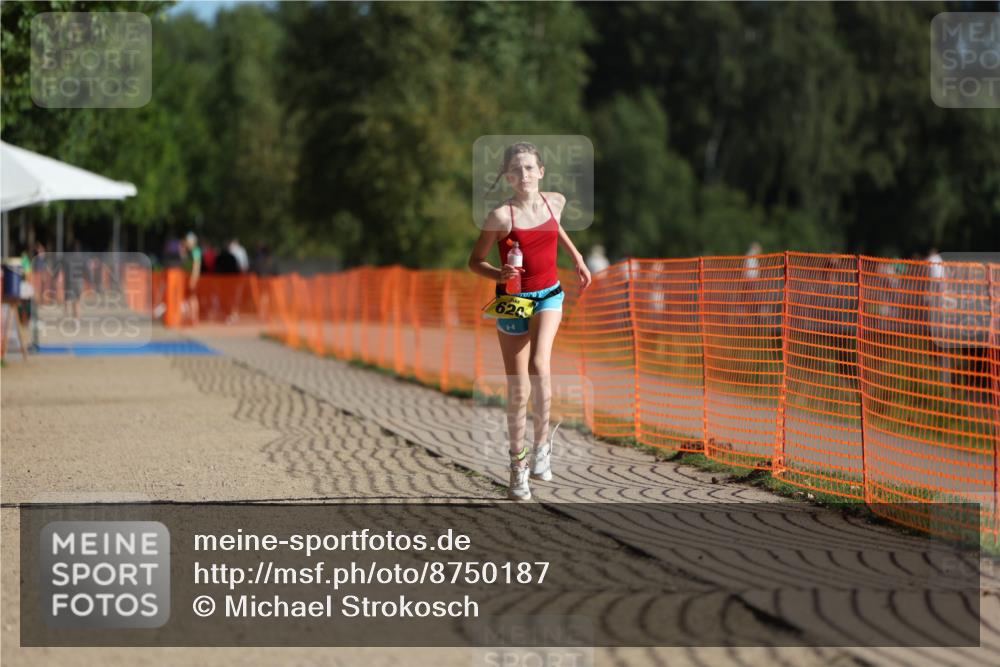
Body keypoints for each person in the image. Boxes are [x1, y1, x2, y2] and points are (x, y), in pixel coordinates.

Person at [468, 142, 592, 501]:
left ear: (541, 171)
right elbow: (474, 261)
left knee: (541, 363)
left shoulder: (556, 201)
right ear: (508, 177)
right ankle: (517, 465)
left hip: (550, 294)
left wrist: (578, 258)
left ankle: (542, 449)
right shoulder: (500, 217)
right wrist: (499, 270)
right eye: (516, 170)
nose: (523, 175)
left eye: (529, 168)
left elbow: (555, 229)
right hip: (513, 301)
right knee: (519, 387)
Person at [182, 232, 202, 325]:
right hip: (189, 277)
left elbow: (196, 266)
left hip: (193, 278)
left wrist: (193, 279)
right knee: (189, 298)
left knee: (193, 297)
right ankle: (190, 316)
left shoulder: (196, 251)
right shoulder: (189, 251)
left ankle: (194, 318)